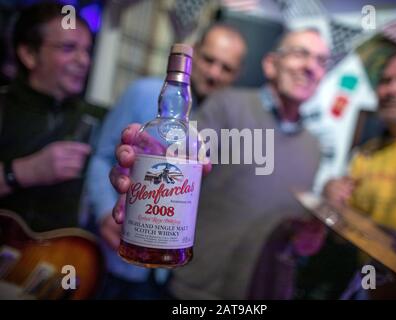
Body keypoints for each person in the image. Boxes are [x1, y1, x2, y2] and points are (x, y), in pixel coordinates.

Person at [108, 28, 330, 299]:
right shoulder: (227, 105)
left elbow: (295, 238)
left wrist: (308, 240)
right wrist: (142, 167)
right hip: (192, 291)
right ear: (271, 64)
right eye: (301, 54)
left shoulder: (314, 148)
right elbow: (175, 158)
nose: (310, 67)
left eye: (321, 61)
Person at [86, 23, 247, 299]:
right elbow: (100, 157)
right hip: (112, 249)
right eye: (209, 60)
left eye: (226, 68)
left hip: (169, 274)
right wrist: (103, 212)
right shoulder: (142, 93)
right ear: (192, 55)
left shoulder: (231, 124)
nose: (213, 73)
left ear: (237, 75)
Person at [324, 51, 396, 263]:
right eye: (386, 81)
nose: (392, 89)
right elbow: (342, 235)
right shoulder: (365, 154)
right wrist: (331, 199)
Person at [0, 2, 106, 232]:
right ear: (29, 54)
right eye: (68, 48)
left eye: (87, 50)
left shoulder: (95, 118)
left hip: (62, 261)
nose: (83, 61)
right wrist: (24, 171)